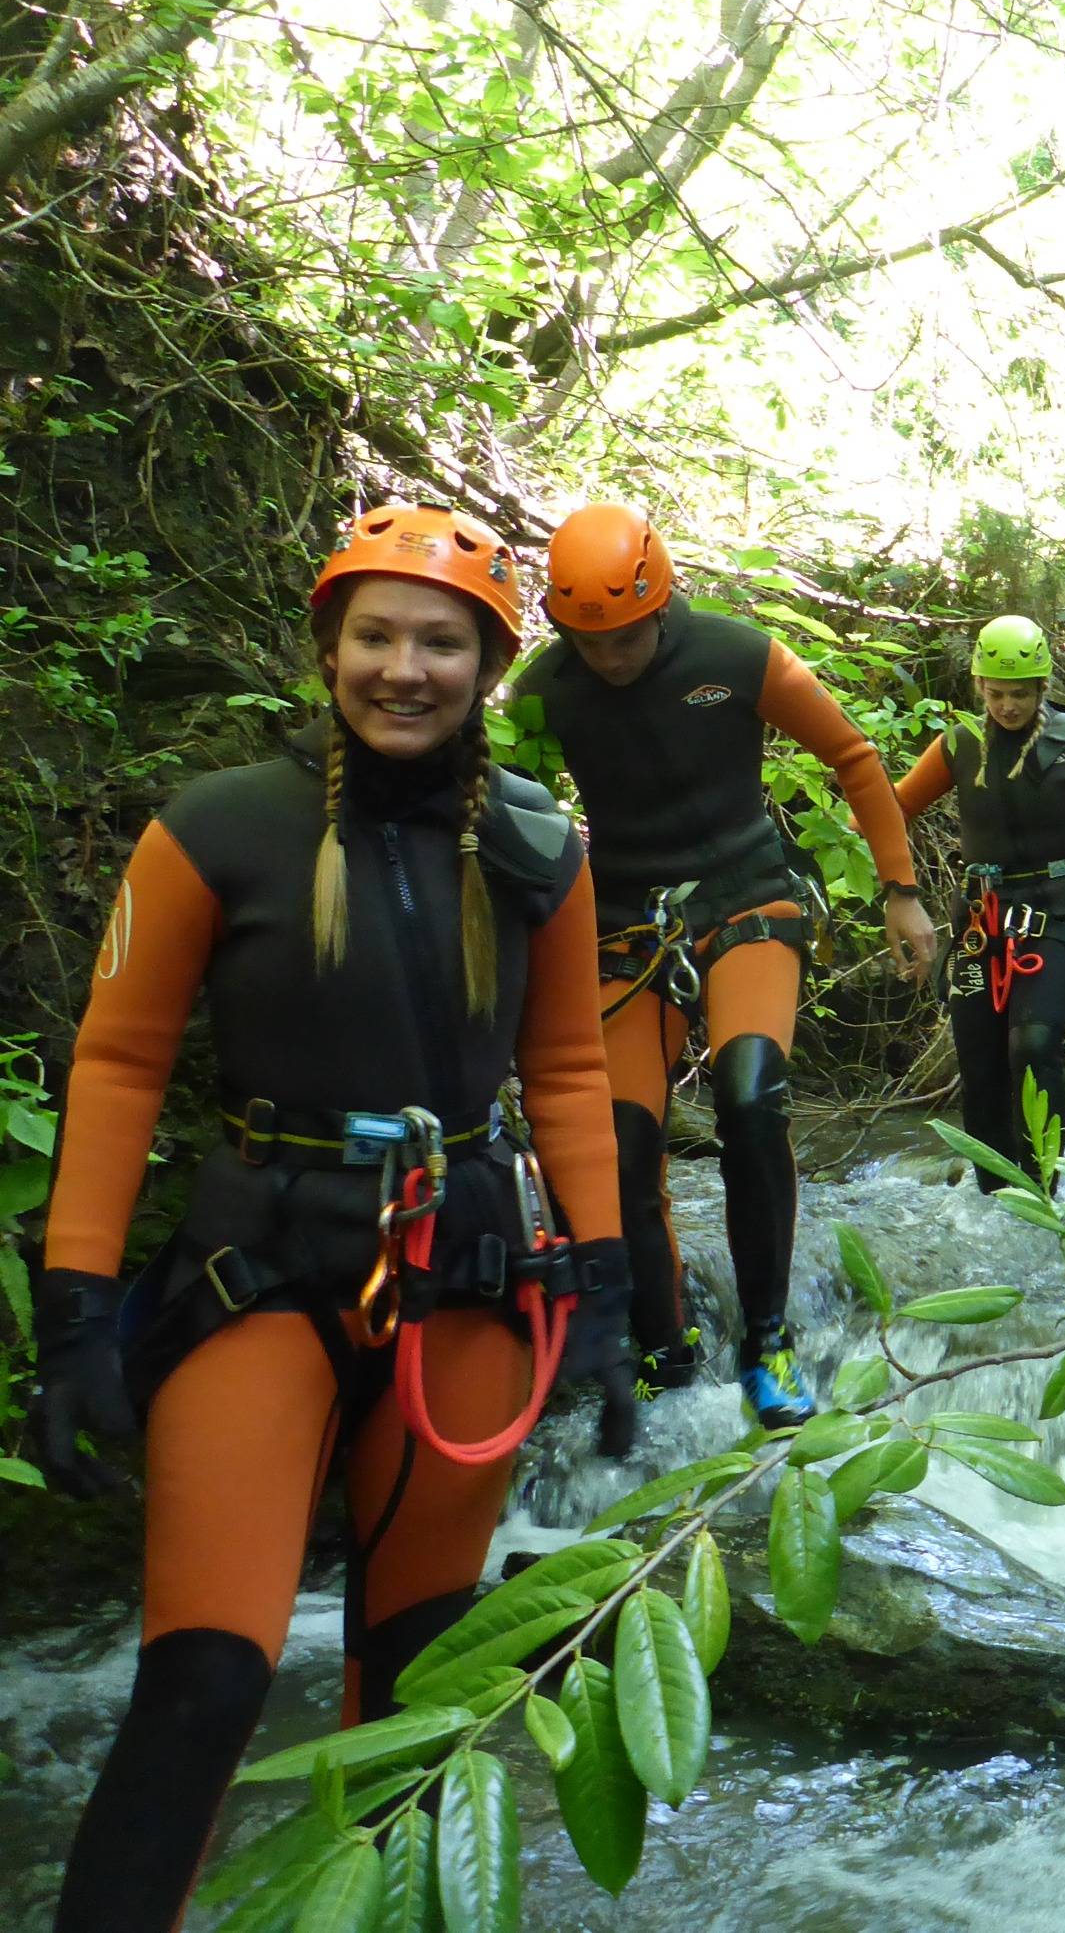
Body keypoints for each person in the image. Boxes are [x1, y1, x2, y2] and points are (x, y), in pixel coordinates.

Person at [30, 504, 637, 1933]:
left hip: (473, 1280)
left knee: (420, 1684)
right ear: (328, 648)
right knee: (208, 1678)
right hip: (266, 1273)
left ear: (488, 664)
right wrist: (75, 1313)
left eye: (442, 642)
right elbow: (117, 1066)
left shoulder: (543, 847)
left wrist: (608, 1289)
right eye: (376, 635)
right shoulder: (217, 829)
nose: (404, 669)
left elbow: (565, 1069)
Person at [516, 503, 933, 1429]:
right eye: (589, 640)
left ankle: (769, 1338)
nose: (610, 657)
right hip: (627, 924)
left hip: (749, 900)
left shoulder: (738, 659)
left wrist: (900, 891)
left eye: (624, 636)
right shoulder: (544, 693)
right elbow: (517, 813)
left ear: (658, 605)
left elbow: (854, 760)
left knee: (749, 1100)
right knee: (622, 1147)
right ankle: (666, 1349)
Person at [896, 616, 1065, 1191]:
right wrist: (839, 831)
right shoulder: (958, 746)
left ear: (1042, 688)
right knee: (980, 1062)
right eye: (995, 693)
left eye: (1020, 693)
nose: (1008, 706)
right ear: (979, 686)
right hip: (979, 920)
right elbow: (895, 808)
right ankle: (996, 1196)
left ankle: (1042, 1188)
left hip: (1055, 916)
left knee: (1035, 1041)